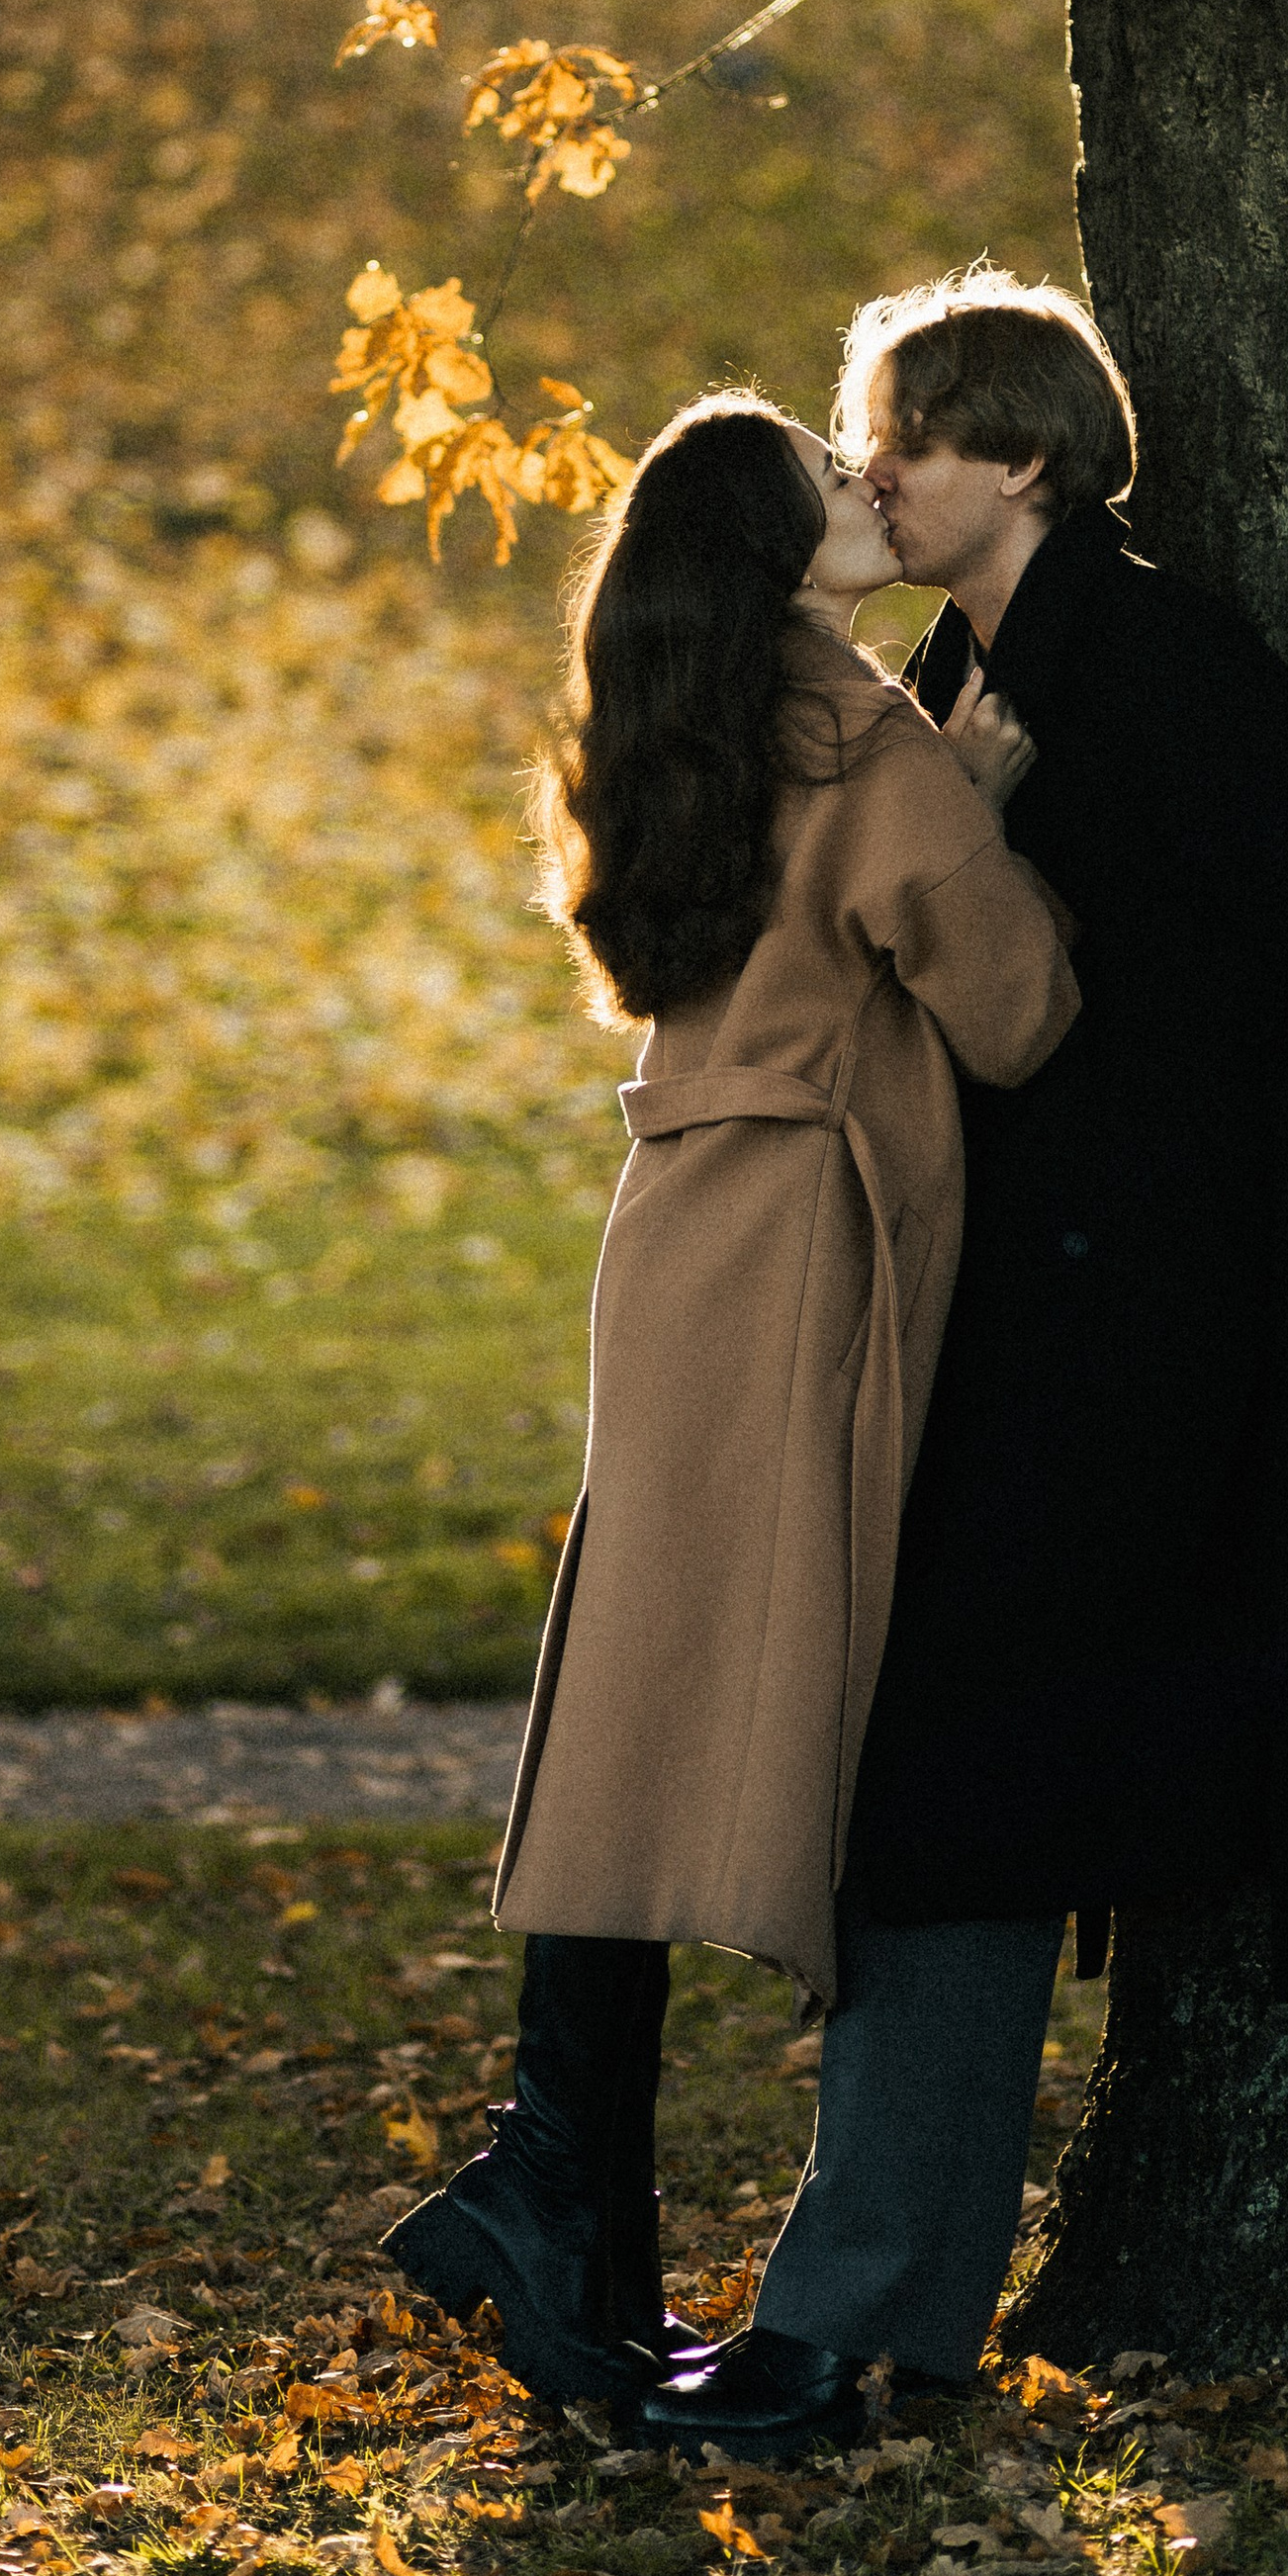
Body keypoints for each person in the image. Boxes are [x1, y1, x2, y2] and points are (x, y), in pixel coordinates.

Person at [638, 273, 1288, 2460]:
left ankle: (851, 2322)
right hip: (1006, 1299)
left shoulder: (1155, 658)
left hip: (1113, 1322)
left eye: (901, 438)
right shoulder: (965, 673)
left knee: (953, 1785)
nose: (871, 474)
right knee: (937, 1787)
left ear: (1018, 458)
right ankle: (883, 2315)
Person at [380, 390, 1080, 2415]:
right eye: (829, 488)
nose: (867, 490)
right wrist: (983, 796)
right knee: (708, 1694)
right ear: (777, 558)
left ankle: (555, 2185)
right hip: (791, 1246)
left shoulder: (663, 733)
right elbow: (1015, 1010)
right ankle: (548, 2186)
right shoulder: (861, 740)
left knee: (638, 1689)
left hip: (673, 1226)